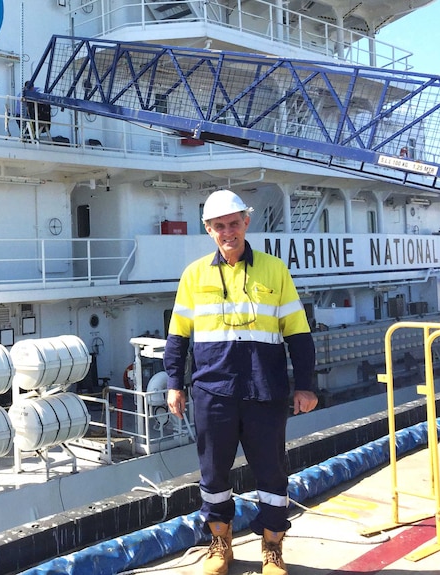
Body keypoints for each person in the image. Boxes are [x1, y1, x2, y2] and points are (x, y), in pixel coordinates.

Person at [163, 189, 318, 575]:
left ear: (246, 222)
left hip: (265, 388)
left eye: (234, 223)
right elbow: (178, 334)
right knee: (214, 473)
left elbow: (297, 332)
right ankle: (220, 544)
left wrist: (306, 384)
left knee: (271, 472)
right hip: (212, 390)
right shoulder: (194, 274)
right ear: (208, 230)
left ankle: (272, 549)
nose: (228, 231)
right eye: (219, 226)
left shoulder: (274, 270)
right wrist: (174, 383)